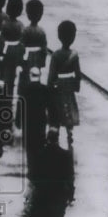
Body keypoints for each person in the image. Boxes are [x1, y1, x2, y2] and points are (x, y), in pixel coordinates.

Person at [27, 128, 75, 217]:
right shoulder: (65, 155)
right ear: (57, 138)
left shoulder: (40, 154)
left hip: (43, 195)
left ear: (47, 138)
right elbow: (70, 177)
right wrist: (71, 194)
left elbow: (32, 176)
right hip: (58, 196)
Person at [21, 0, 49, 176]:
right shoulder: (41, 31)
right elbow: (45, 49)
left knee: (25, 83)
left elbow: (21, 45)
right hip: (37, 58)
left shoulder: (25, 30)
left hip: (27, 59)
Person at [46, 19, 81, 147]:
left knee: (56, 109)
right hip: (69, 85)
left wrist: (49, 87)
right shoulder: (74, 55)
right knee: (69, 108)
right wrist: (76, 86)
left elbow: (51, 75)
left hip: (58, 85)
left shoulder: (55, 55)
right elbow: (78, 74)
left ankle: (55, 133)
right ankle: (70, 132)